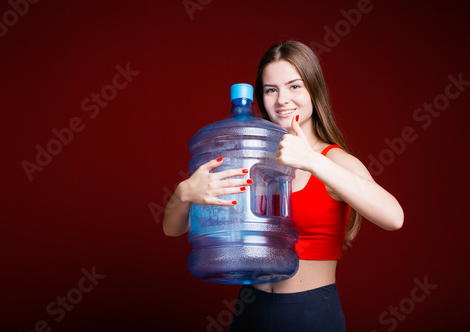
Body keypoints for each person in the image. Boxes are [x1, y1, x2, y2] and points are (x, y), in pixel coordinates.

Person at [163, 40, 403, 331]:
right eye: (270, 90)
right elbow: (173, 228)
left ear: (314, 90)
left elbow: (394, 217)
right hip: (250, 308)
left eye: (294, 86)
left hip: (310, 313)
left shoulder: (333, 160)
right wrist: (184, 193)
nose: (282, 100)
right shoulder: (250, 156)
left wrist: (313, 161)